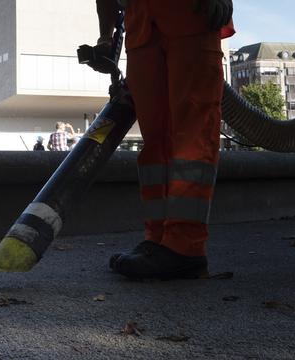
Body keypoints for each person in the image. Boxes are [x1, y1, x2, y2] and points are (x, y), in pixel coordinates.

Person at [95, 0, 234, 279]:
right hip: (143, 25)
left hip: (191, 15)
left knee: (193, 133)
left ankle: (185, 244)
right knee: (155, 139)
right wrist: (105, 35)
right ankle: (158, 240)